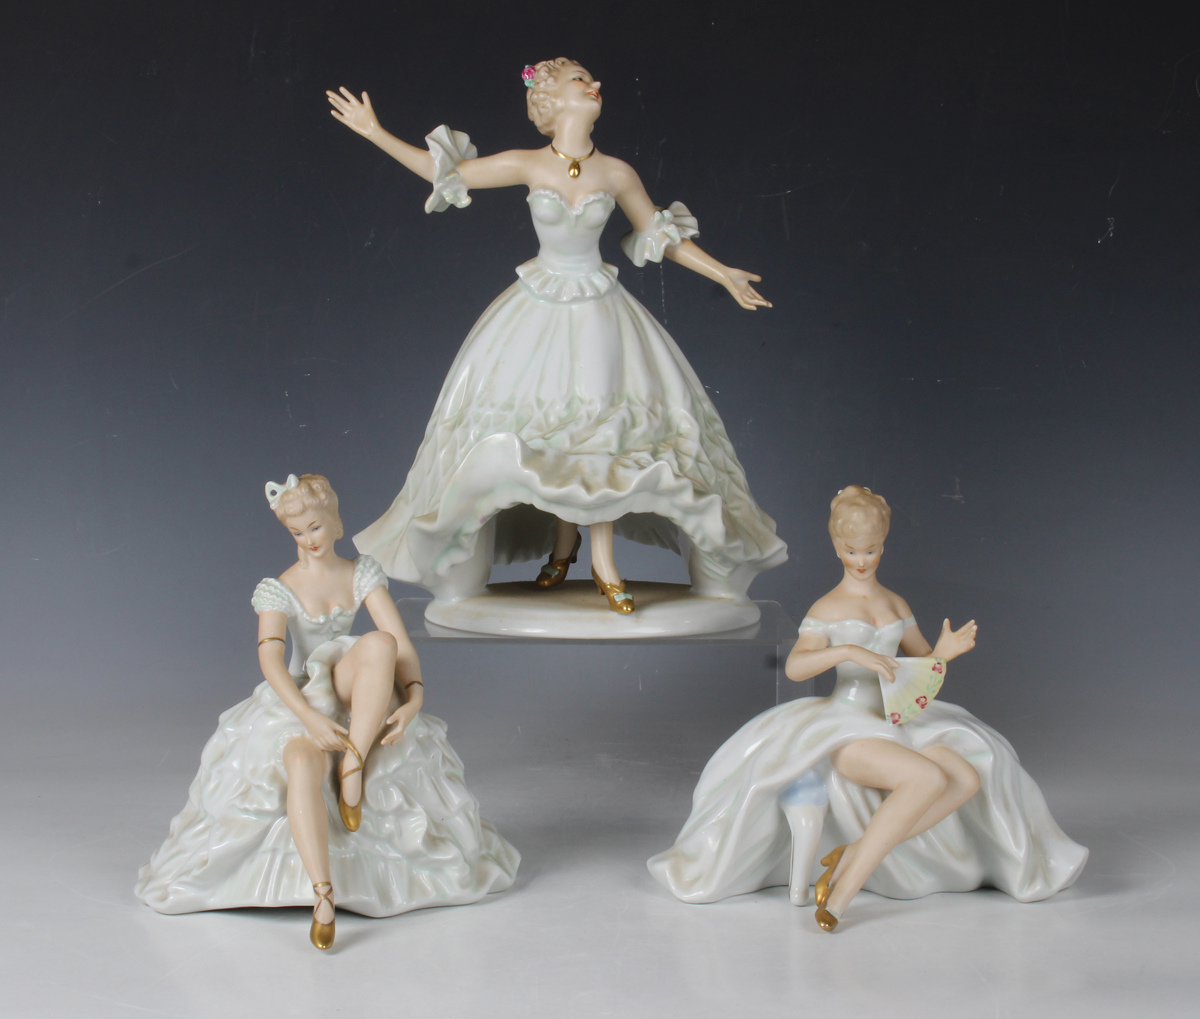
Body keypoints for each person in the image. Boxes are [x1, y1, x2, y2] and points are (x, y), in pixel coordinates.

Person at [328, 58, 786, 615]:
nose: (595, 85)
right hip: (536, 307)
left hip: (597, 308)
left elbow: (659, 235)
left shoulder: (615, 172)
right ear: (551, 98)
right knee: (549, 432)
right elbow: (446, 172)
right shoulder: (529, 162)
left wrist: (723, 273)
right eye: (579, 80)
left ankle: (603, 560)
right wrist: (375, 132)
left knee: (599, 431)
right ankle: (564, 543)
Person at [648, 486, 1087, 931]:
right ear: (837, 547)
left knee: (967, 778)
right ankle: (841, 895)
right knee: (928, 778)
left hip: (897, 719)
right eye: (851, 550)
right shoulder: (828, 608)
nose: (861, 561)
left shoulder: (895, 604)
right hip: (848, 725)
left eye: (871, 550)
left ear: (883, 546)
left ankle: (855, 851)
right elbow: (796, 668)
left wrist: (944, 653)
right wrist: (849, 652)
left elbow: (920, 667)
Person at [135, 474, 519, 949]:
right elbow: (271, 660)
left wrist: (415, 696)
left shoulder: (360, 572)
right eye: (297, 532)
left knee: (378, 643)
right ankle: (323, 893)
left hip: (353, 688)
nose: (308, 540)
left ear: (335, 523)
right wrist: (310, 717)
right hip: (300, 698)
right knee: (300, 763)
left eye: (315, 528)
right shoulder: (279, 588)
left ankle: (353, 763)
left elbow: (398, 641)